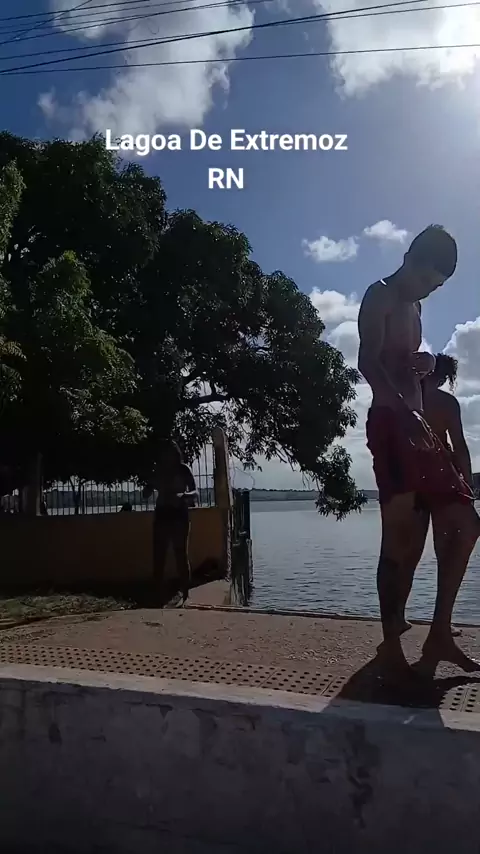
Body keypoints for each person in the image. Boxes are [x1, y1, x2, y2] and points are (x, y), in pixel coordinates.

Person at [358, 225, 480, 679]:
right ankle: (391, 646)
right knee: (400, 542)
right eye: (428, 278)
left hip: (420, 423)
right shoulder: (381, 295)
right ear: (410, 257)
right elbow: (368, 362)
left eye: (438, 285)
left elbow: (403, 357)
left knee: (465, 523)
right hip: (392, 426)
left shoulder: (416, 305)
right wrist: (403, 411)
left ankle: (440, 633)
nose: (430, 289)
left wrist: (426, 363)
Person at [396, 353, 475, 637]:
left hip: (409, 480)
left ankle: (397, 617)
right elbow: (460, 445)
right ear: (442, 376)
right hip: (440, 480)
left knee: (410, 554)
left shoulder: (404, 400)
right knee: (449, 549)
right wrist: (468, 484)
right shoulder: (446, 402)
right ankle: (441, 621)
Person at [143, 440, 197, 605]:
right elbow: (145, 493)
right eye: (165, 453)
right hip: (162, 515)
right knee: (159, 556)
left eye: (170, 453)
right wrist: (149, 486)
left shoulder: (183, 469)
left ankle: (186, 594)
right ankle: (157, 595)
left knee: (181, 555)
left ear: (176, 454)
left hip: (179, 515)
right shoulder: (159, 471)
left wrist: (184, 496)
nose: (167, 456)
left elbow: (195, 492)